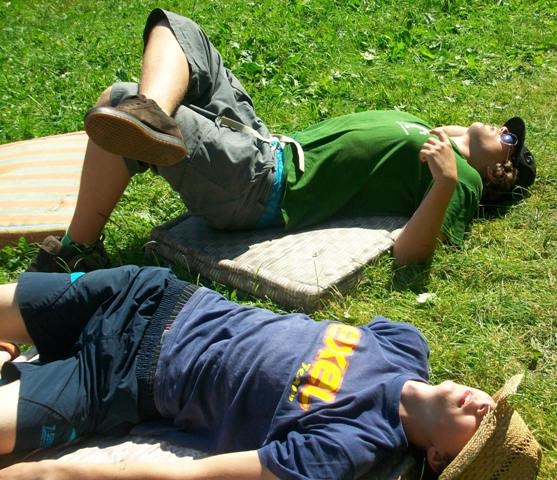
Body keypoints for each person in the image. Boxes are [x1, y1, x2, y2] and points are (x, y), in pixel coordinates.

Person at [27, 9, 537, 273]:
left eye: (509, 137)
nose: (499, 126)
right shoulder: (432, 135)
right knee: (178, 27)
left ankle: (77, 250)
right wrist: (448, 136)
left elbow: (410, 256)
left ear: (501, 173)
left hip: (259, 186)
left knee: (116, 97)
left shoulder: (461, 179)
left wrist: (445, 182)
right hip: (264, 145)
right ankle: (152, 114)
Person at [0, 266, 542, 479]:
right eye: (494, 405)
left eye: (482, 427)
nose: (483, 404)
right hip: (153, 294)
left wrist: (48, 475)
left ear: (440, 458)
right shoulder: (405, 344)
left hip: (117, 381)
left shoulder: (351, 446)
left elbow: (197, 477)